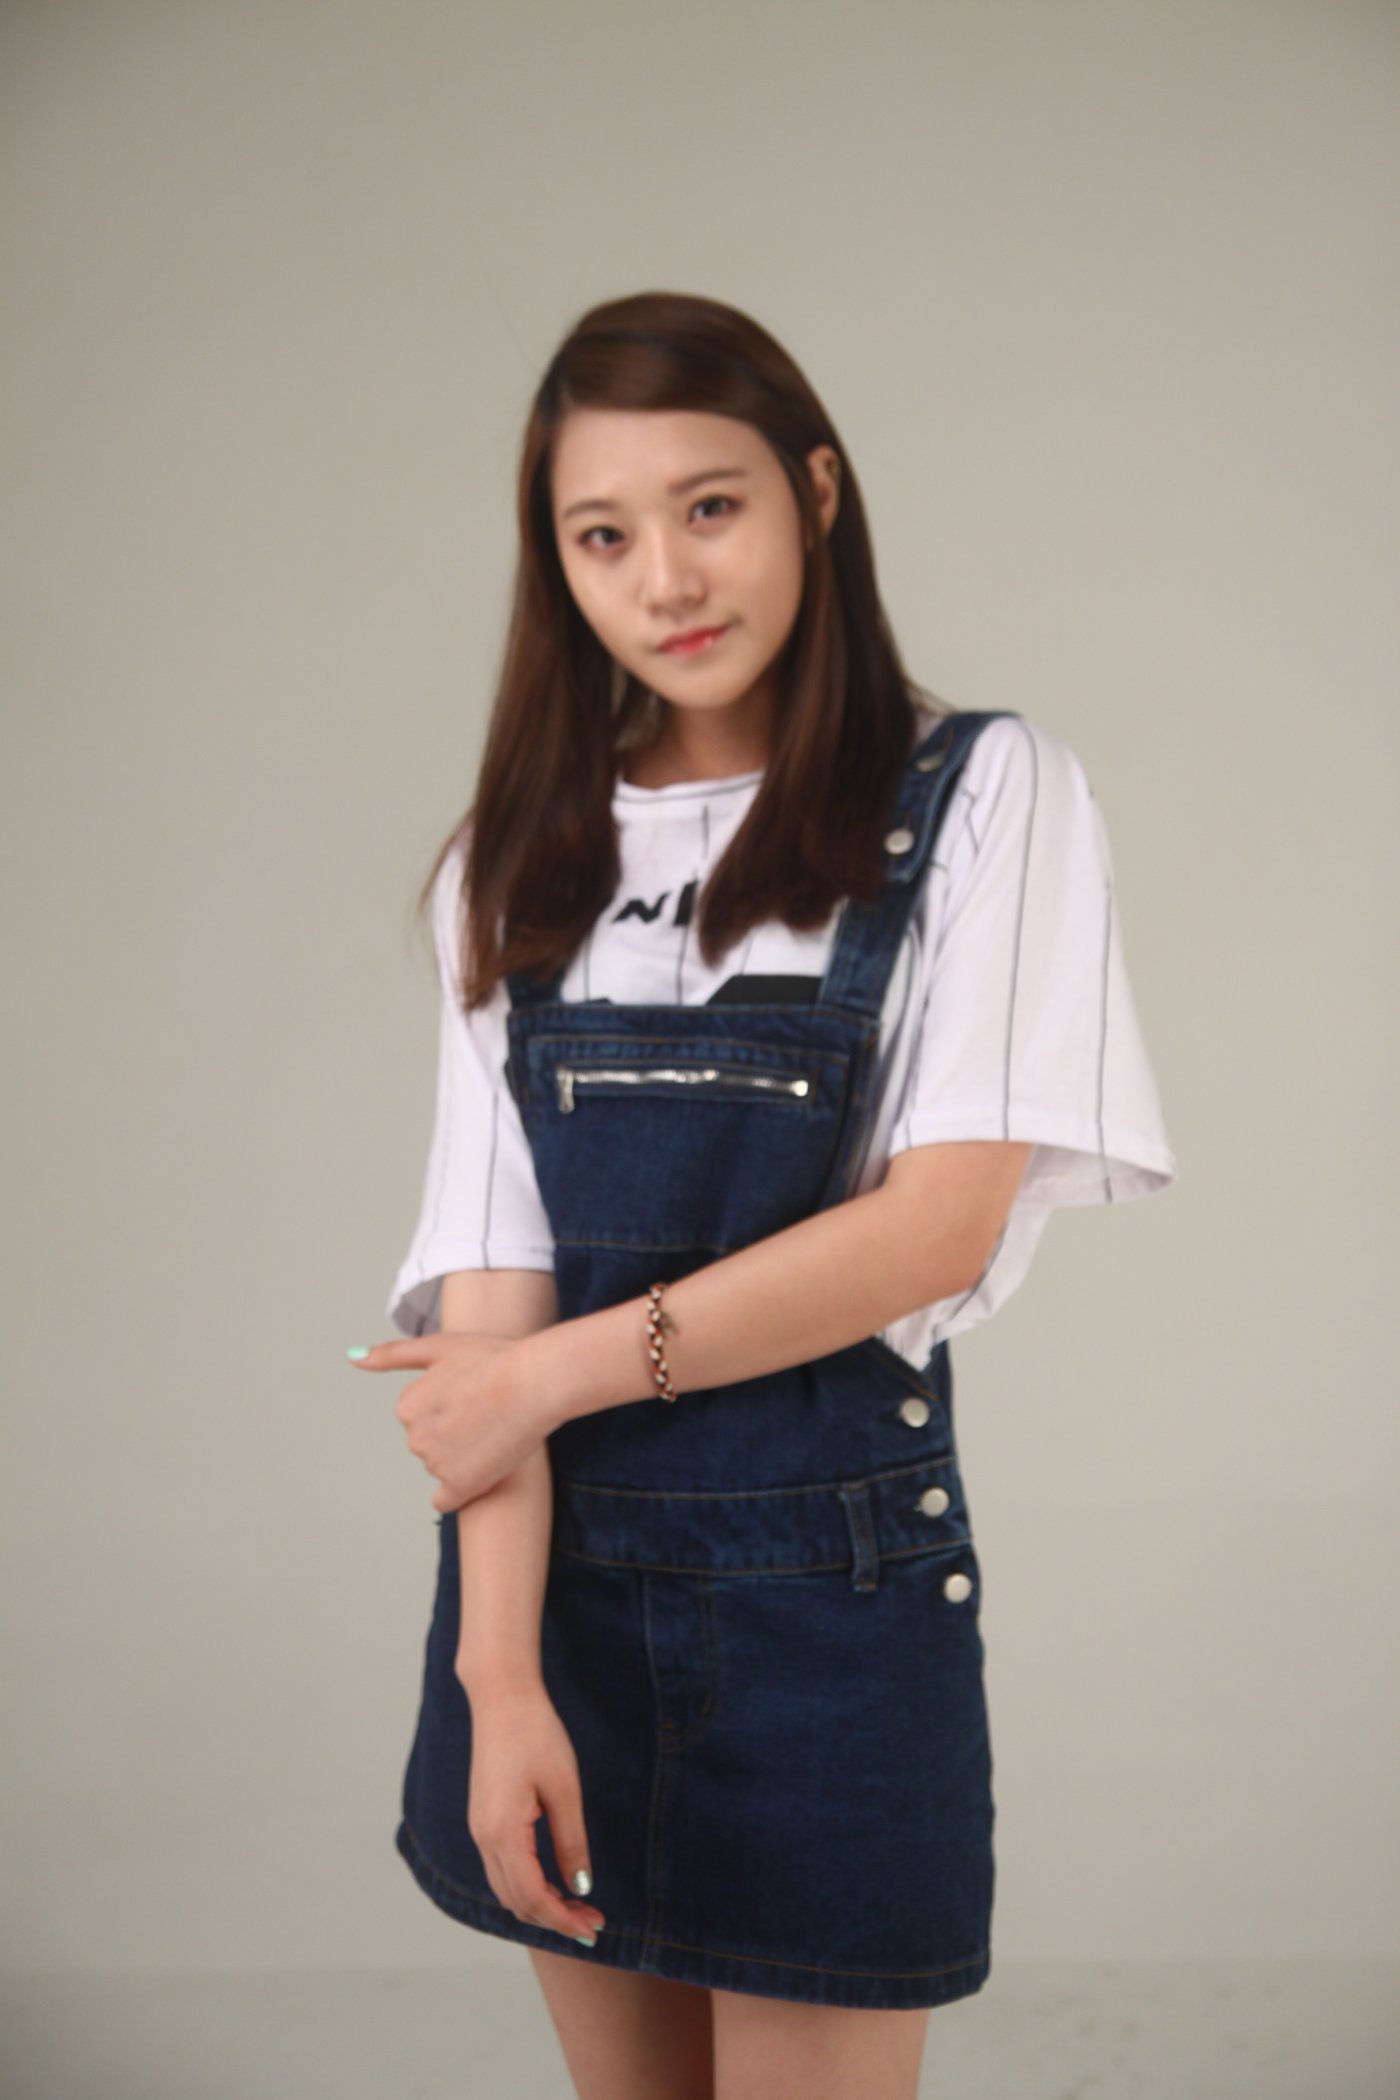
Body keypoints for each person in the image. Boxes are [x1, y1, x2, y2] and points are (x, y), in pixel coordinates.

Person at [349, 289, 1178, 2100]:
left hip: (831, 1614)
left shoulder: (982, 799)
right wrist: (498, 1682)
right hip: (556, 1607)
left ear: (816, 491)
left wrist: (549, 1378)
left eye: (710, 505)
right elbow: (489, 1307)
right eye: (603, 535)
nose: (666, 578)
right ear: (558, 567)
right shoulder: (514, 863)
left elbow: (932, 1229)